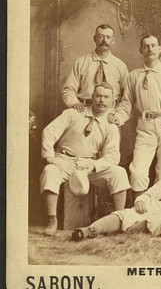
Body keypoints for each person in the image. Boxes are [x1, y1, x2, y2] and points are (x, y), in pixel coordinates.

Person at [71, 141, 161, 241]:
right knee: (127, 213)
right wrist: (142, 200)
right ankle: (89, 230)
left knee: (160, 222)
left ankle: (125, 232)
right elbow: (153, 192)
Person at [108, 34, 161, 202]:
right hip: (145, 127)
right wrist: (117, 117)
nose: (150, 49)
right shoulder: (134, 75)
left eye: (154, 45)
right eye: (146, 46)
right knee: (138, 171)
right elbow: (126, 103)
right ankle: (138, 212)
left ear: (160, 49)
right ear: (141, 50)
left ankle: (158, 213)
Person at [40, 83, 130, 235]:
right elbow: (49, 132)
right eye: (99, 96)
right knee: (50, 171)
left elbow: (113, 155)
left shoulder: (110, 125)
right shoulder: (73, 113)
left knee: (119, 173)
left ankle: (119, 220)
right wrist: (50, 156)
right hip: (64, 160)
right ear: (92, 97)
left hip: (89, 164)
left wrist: (93, 166)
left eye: (106, 97)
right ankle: (52, 220)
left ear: (112, 102)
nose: (102, 100)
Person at [62, 24, 128, 112]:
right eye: (100, 36)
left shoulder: (120, 65)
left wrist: (119, 114)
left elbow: (128, 95)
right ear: (94, 38)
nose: (104, 40)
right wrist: (74, 103)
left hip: (111, 113)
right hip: (84, 110)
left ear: (113, 40)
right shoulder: (81, 62)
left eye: (108, 37)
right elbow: (68, 89)